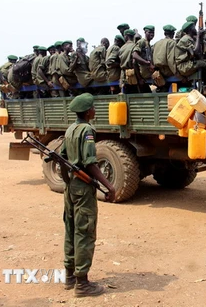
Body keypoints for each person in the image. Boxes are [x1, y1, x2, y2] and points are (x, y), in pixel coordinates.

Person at [60, 93, 116, 297]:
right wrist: (109, 186)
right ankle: (82, 284)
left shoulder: (70, 129)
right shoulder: (86, 131)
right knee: (85, 232)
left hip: (71, 188)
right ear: (87, 111)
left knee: (71, 228)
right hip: (83, 189)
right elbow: (91, 163)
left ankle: (69, 276)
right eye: (93, 108)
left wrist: (68, 182)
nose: (95, 110)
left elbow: (62, 160)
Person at [132, 25, 155, 91]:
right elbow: (134, 56)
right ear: (145, 32)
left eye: (153, 32)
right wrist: (146, 63)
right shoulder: (142, 42)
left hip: (148, 73)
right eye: (150, 32)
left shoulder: (148, 44)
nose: (152, 34)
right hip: (144, 75)